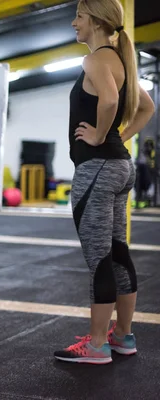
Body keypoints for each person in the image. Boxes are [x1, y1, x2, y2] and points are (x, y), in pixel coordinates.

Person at [54, 0, 155, 364]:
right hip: (120, 167)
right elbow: (147, 107)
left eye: (78, 16)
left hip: (96, 168)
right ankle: (123, 336)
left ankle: (97, 346)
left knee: (99, 262)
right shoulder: (120, 60)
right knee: (118, 255)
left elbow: (111, 99)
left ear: (95, 21)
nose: (73, 23)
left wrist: (99, 135)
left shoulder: (95, 59)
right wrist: (119, 136)